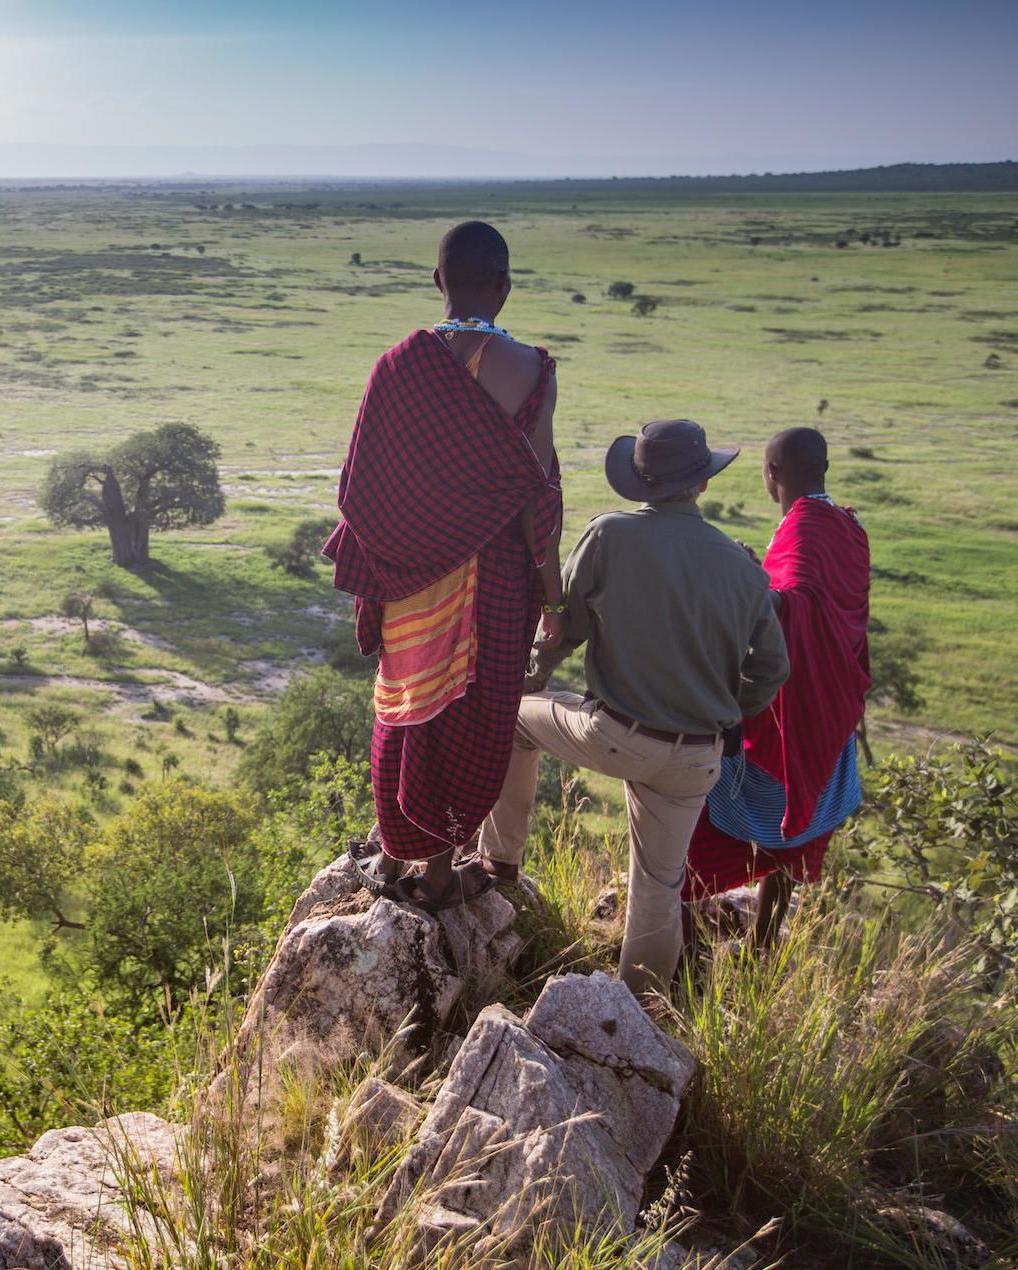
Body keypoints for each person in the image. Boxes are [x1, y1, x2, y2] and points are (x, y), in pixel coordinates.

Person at [473, 419, 791, 998]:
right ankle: (636, 1019)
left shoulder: (610, 536)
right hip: (694, 757)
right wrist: (722, 709)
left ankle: (500, 862)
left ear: (640, 482)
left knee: (516, 718)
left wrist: (530, 676)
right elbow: (772, 669)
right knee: (658, 892)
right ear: (700, 485)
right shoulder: (742, 567)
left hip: (615, 734)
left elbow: (566, 630)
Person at [324, 220, 562, 909]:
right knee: (472, 714)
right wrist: (553, 599)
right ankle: (438, 865)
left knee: (409, 708)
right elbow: (537, 496)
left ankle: (400, 857)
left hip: (410, 580)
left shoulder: (396, 364)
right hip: (496, 578)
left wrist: (399, 556)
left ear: (436, 282)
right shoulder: (531, 370)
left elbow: (358, 490)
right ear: (504, 287)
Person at [683, 427, 871, 951]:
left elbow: (791, 605)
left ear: (772, 475)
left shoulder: (804, 529)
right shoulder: (848, 525)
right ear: (824, 468)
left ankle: (686, 945)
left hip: (791, 706)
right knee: (798, 831)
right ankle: (762, 943)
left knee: (702, 814)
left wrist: (747, 575)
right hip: (833, 706)